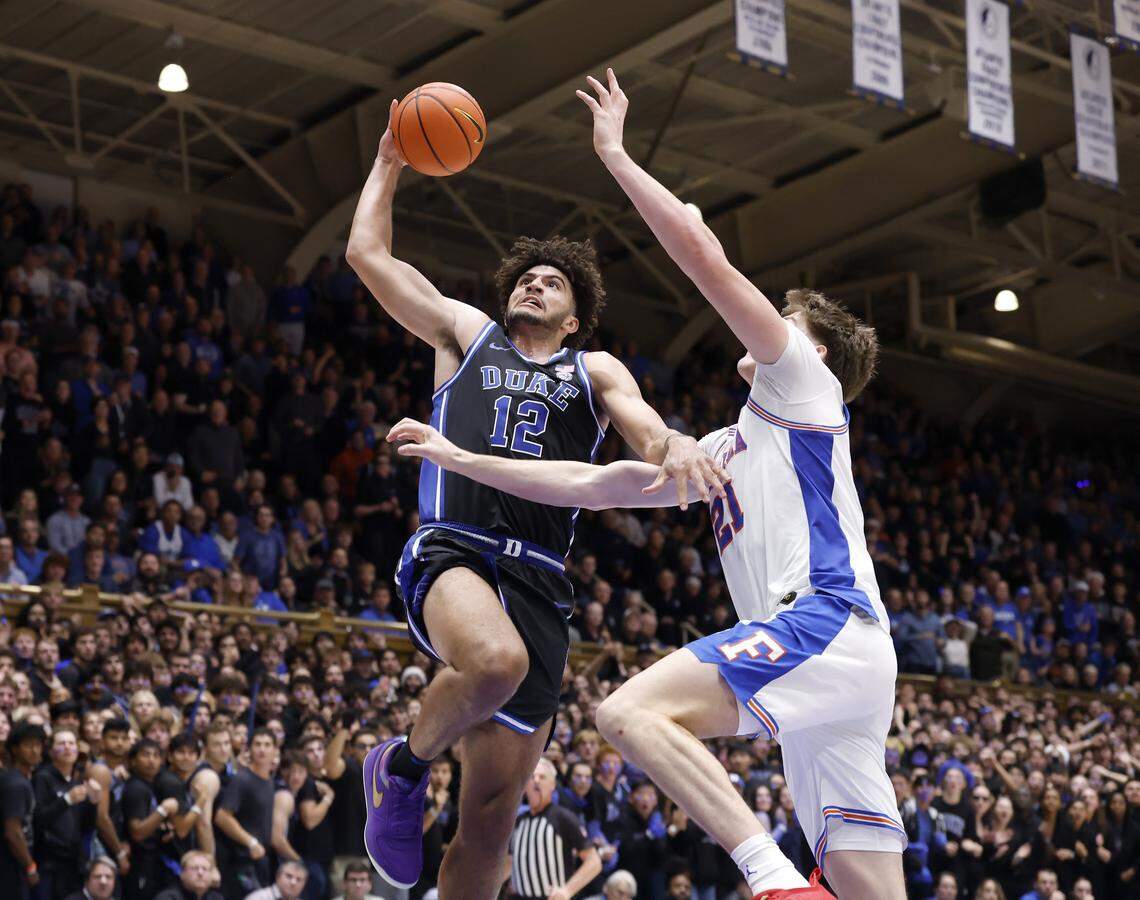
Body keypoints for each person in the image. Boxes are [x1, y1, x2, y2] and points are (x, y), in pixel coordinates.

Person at [386, 66, 902, 900]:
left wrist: (618, 157)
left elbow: (703, 256)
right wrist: (463, 459)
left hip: (824, 623)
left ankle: (772, 881)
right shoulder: (731, 446)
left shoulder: (807, 386)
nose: (765, 320)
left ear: (817, 353)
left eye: (784, 318)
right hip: (838, 670)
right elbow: (593, 487)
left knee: (629, 714)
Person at [345, 95, 724, 898]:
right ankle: (401, 768)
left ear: (575, 313)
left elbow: (645, 431)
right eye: (527, 277)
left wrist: (675, 446)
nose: (536, 284)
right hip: (457, 550)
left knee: (489, 817)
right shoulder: (465, 334)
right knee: (494, 663)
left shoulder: (594, 370)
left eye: (553, 282)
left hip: (542, 580)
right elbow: (369, 257)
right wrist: (387, 162)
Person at [506, 758, 601, 899]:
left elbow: (594, 862)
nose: (536, 780)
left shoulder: (562, 817)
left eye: (542, 777)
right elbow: (509, 862)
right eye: (531, 777)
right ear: (525, 786)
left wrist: (567, 890)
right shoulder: (518, 821)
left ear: (552, 785)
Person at [214, 728, 276, 898]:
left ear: (275, 750)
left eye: (267, 745)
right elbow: (222, 816)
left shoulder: (270, 781)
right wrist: (251, 842)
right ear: (249, 749)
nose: (262, 749)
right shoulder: (242, 779)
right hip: (242, 860)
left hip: (261, 860)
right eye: (257, 744)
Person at [0, 722, 45, 900]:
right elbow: (13, 831)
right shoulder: (16, 784)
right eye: (28, 745)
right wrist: (30, 866)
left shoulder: (21, 780)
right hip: (11, 864)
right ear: (15, 749)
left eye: (38, 745)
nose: (34, 751)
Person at [153, 850, 224, 900]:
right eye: (195, 868)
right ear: (182, 874)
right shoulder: (167, 898)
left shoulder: (216, 898)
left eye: (205, 869)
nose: (200, 873)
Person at [243, 859, 308, 900]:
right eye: (289, 876)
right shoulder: (258, 898)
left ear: (304, 885)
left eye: (299, 879)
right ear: (278, 877)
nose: (293, 882)